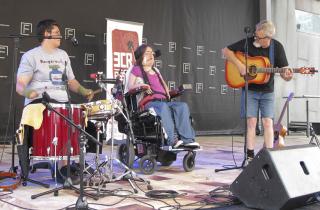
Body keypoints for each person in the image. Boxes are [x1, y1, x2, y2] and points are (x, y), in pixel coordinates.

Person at [16, 19, 93, 184]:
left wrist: (83, 91)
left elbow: (71, 81)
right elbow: (20, 85)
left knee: (75, 113)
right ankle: (61, 166)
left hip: (62, 102)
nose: (61, 36)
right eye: (57, 33)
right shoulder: (31, 56)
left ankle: (66, 165)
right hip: (41, 102)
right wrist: (31, 92)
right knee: (54, 112)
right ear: (46, 34)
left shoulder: (63, 55)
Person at [222, 20, 293, 163]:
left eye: (259, 37)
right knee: (251, 123)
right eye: (256, 35)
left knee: (267, 123)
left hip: (267, 91)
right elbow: (225, 51)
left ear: (268, 38)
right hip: (250, 90)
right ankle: (249, 156)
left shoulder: (277, 48)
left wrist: (288, 76)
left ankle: (268, 156)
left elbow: (285, 73)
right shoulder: (249, 42)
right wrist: (240, 65)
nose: (256, 39)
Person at [127, 44, 199, 148]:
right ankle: (172, 140)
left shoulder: (156, 70)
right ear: (140, 56)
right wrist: (142, 85)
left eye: (152, 52)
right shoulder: (137, 69)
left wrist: (172, 92)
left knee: (182, 106)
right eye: (147, 52)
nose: (151, 54)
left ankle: (187, 140)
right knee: (163, 107)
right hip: (149, 103)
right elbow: (130, 87)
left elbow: (165, 87)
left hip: (164, 101)